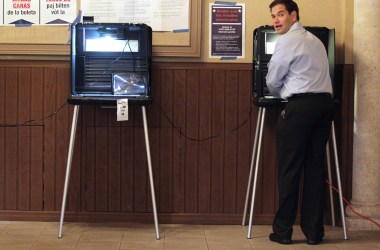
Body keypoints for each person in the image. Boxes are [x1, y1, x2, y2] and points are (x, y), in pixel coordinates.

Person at [265, 0, 335, 245]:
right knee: (315, 170)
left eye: (281, 14)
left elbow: (273, 81)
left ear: (294, 15)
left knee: (289, 170)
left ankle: (283, 232)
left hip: (300, 108)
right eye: (274, 16)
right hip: (325, 106)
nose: (276, 20)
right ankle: (314, 233)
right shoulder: (316, 41)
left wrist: (282, 93)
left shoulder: (287, 42)